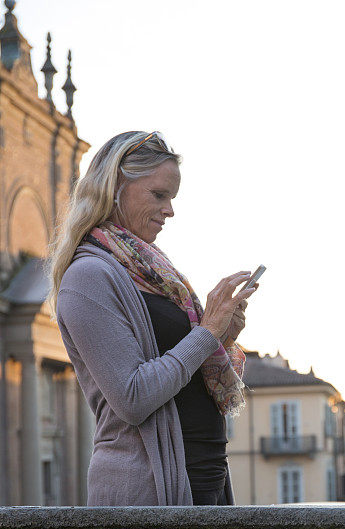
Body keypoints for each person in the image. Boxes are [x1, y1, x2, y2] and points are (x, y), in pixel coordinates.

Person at [46, 130, 257, 507]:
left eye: (171, 198)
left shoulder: (151, 269)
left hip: (204, 483)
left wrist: (222, 335)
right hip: (147, 492)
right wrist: (206, 331)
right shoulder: (89, 277)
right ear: (115, 186)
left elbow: (182, 366)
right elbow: (133, 397)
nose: (169, 210)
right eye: (159, 195)